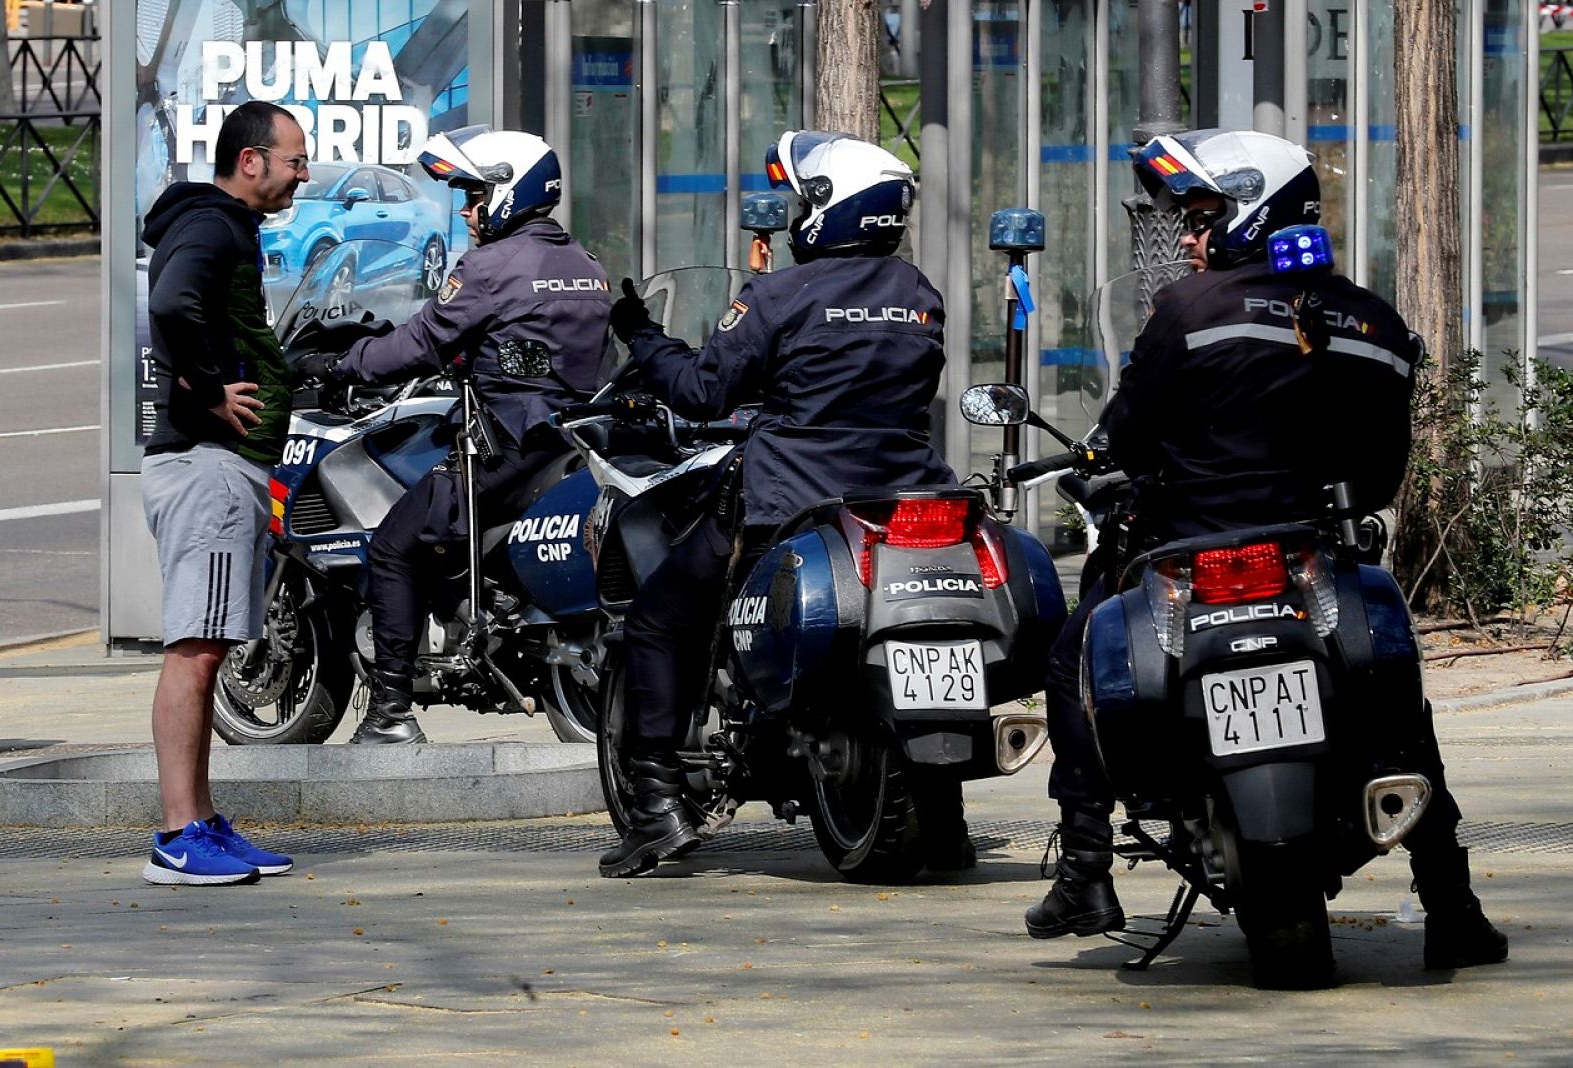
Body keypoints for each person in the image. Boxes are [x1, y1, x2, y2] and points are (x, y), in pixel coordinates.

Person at [1024, 129, 1509, 972]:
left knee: (1072, 662)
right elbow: (1382, 475)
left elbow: (1126, 435)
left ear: (1254, 209)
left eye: (1201, 216)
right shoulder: (1375, 322)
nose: (1188, 236)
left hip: (1186, 550)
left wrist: (1116, 461)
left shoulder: (1188, 309)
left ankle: (1086, 870)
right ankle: (1452, 905)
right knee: (1399, 708)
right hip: (1311, 557)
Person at [598, 131, 960, 879]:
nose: (796, 217)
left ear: (830, 208)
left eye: (804, 202)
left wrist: (643, 334)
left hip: (790, 499)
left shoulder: (779, 295)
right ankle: (945, 816)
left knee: (658, 619)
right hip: (903, 495)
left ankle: (658, 802)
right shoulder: (919, 293)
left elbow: (703, 390)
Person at [295, 126, 612, 744]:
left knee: (393, 548)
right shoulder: (585, 264)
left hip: (504, 448)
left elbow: (419, 343)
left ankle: (389, 713)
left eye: (474, 196)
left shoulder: (490, 267)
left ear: (508, 192)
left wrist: (338, 366)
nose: (466, 211)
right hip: (568, 444)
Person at [139, 100, 304, 885]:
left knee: (208, 649)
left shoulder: (222, 226)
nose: (302, 174)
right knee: (195, 650)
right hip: (206, 467)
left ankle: (200, 821)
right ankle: (178, 837)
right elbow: (171, 303)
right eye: (293, 160)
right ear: (250, 160)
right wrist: (209, 389)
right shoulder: (212, 226)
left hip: (222, 468)